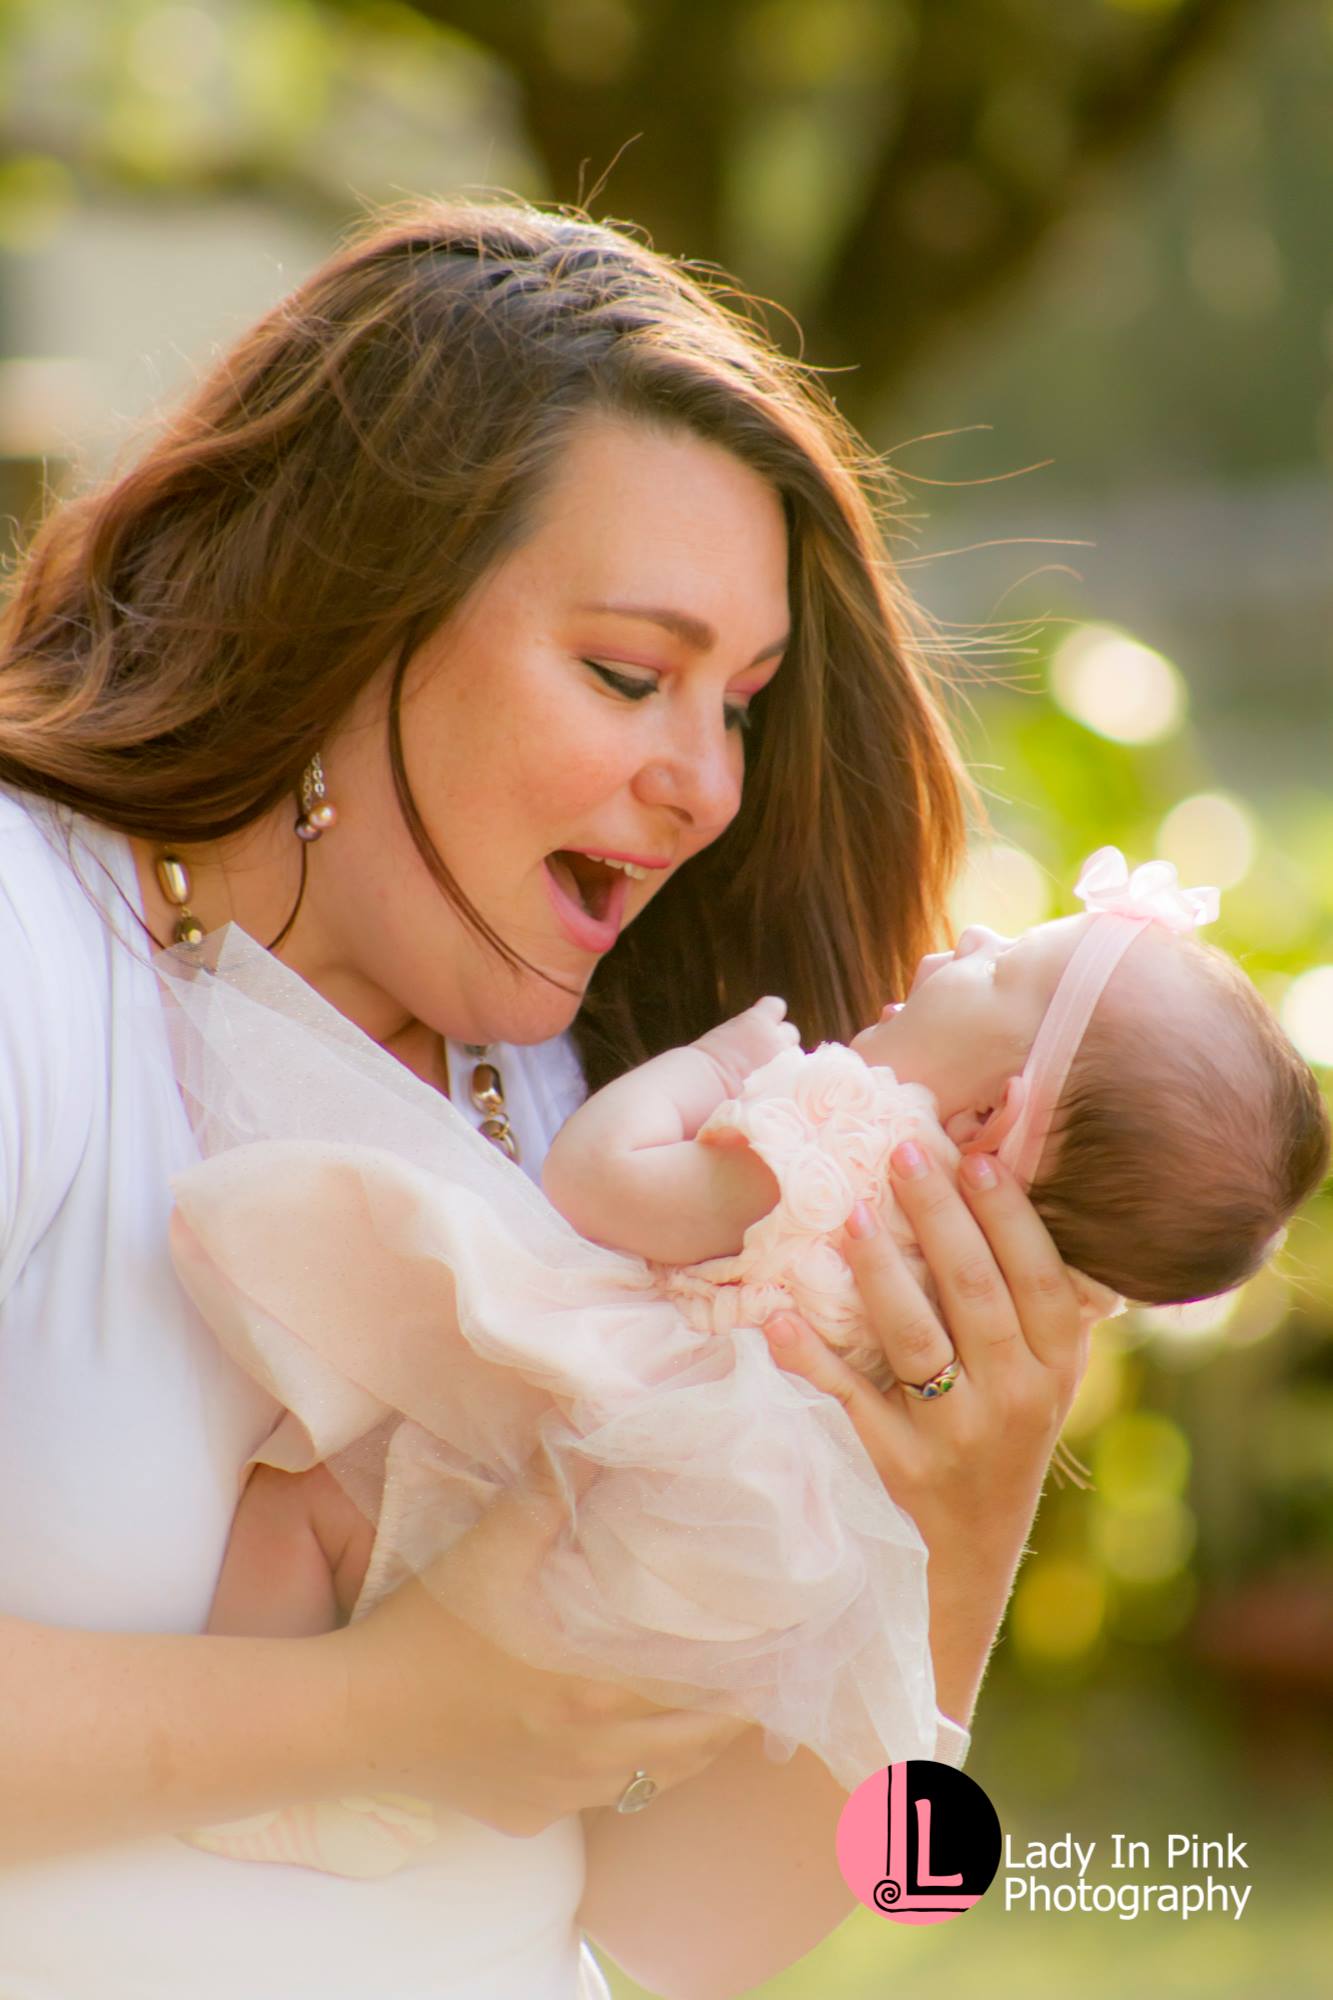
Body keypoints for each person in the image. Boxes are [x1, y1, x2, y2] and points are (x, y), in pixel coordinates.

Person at [0, 195, 1117, 1999]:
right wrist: (370, 1714)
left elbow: (684, 1943)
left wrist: (958, 1518)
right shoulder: (32, 956)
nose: (707, 786)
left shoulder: (627, 1111)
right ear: (355, 603)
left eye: (742, 702)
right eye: (626, 673)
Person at [156, 847, 1328, 1880]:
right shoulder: (991, 1289)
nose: (966, 938)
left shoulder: (838, 1134)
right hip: (717, 1552)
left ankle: (255, 1756)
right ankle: (366, 1797)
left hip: (593, 1417)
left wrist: (712, 1068)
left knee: (312, 1477)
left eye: (1001, 970)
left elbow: (599, 1186)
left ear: (984, 1120)